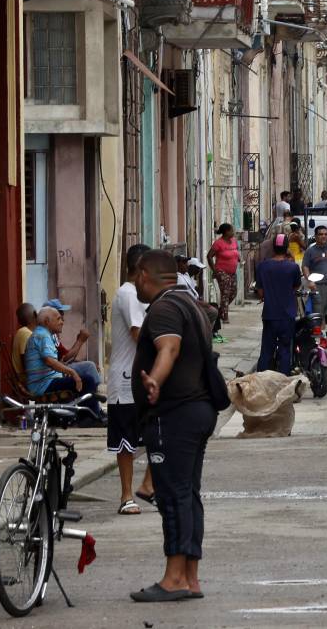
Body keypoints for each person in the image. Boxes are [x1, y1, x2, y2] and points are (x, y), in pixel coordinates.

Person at [129, 250, 219, 603]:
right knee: (188, 494)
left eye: (136, 276)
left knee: (172, 496)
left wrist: (154, 380)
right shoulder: (191, 304)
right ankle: (191, 577)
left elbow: (169, 348)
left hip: (175, 415)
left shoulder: (164, 308)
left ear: (143, 275)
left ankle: (174, 579)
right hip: (198, 411)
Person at [109, 244, 155, 515]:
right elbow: (140, 335)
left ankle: (151, 487)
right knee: (126, 441)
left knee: (158, 434)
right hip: (126, 379)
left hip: (142, 377)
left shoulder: (142, 296)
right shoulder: (128, 296)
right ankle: (127, 495)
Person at [24, 307, 103, 419]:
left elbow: (55, 360)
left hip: (46, 382)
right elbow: (49, 361)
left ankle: (92, 414)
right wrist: (72, 373)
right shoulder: (42, 336)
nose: (62, 322)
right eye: (58, 319)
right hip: (43, 385)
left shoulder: (43, 334)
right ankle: (89, 418)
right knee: (87, 380)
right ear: (47, 321)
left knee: (86, 375)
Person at [255, 234, 302, 371]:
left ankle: (261, 381)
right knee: (285, 350)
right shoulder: (292, 267)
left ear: (273, 248)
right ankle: (283, 380)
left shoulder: (263, 266)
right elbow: (296, 287)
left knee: (266, 351)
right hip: (287, 315)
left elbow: (261, 292)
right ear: (287, 247)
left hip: (270, 315)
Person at [206, 223, 240, 324]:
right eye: (231, 230)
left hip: (232, 272)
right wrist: (214, 270)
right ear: (226, 232)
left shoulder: (234, 241)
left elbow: (236, 252)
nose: (233, 232)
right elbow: (209, 256)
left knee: (233, 293)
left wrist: (238, 258)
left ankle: (220, 311)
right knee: (225, 292)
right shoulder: (218, 243)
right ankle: (225, 316)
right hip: (221, 271)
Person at [11, 303, 37, 382]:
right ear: (35, 314)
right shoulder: (25, 333)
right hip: (28, 379)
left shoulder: (24, 332)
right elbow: (26, 361)